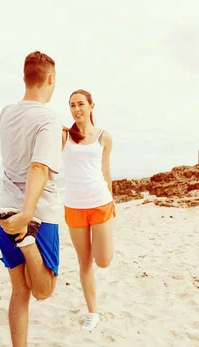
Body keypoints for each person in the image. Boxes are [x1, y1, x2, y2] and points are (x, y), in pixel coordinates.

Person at [0, 50, 63, 347]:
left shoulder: (6, 113)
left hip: (2, 213)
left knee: (19, 290)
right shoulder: (48, 119)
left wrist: (15, 216)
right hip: (36, 215)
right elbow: (39, 166)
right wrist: (27, 217)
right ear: (50, 79)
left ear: (24, 78)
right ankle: (27, 240)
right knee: (44, 290)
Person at [61, 89, 115, 331]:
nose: (76, 109)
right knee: (84, 263)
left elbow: (106, 171)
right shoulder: (64, 136)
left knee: (103, 261)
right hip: (74, 206)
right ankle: (93, 312)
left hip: (101, 202)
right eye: (72, 105)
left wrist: (112, 200)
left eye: (81, 103)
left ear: (92, 105)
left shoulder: (104, 136)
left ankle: (103, 242)